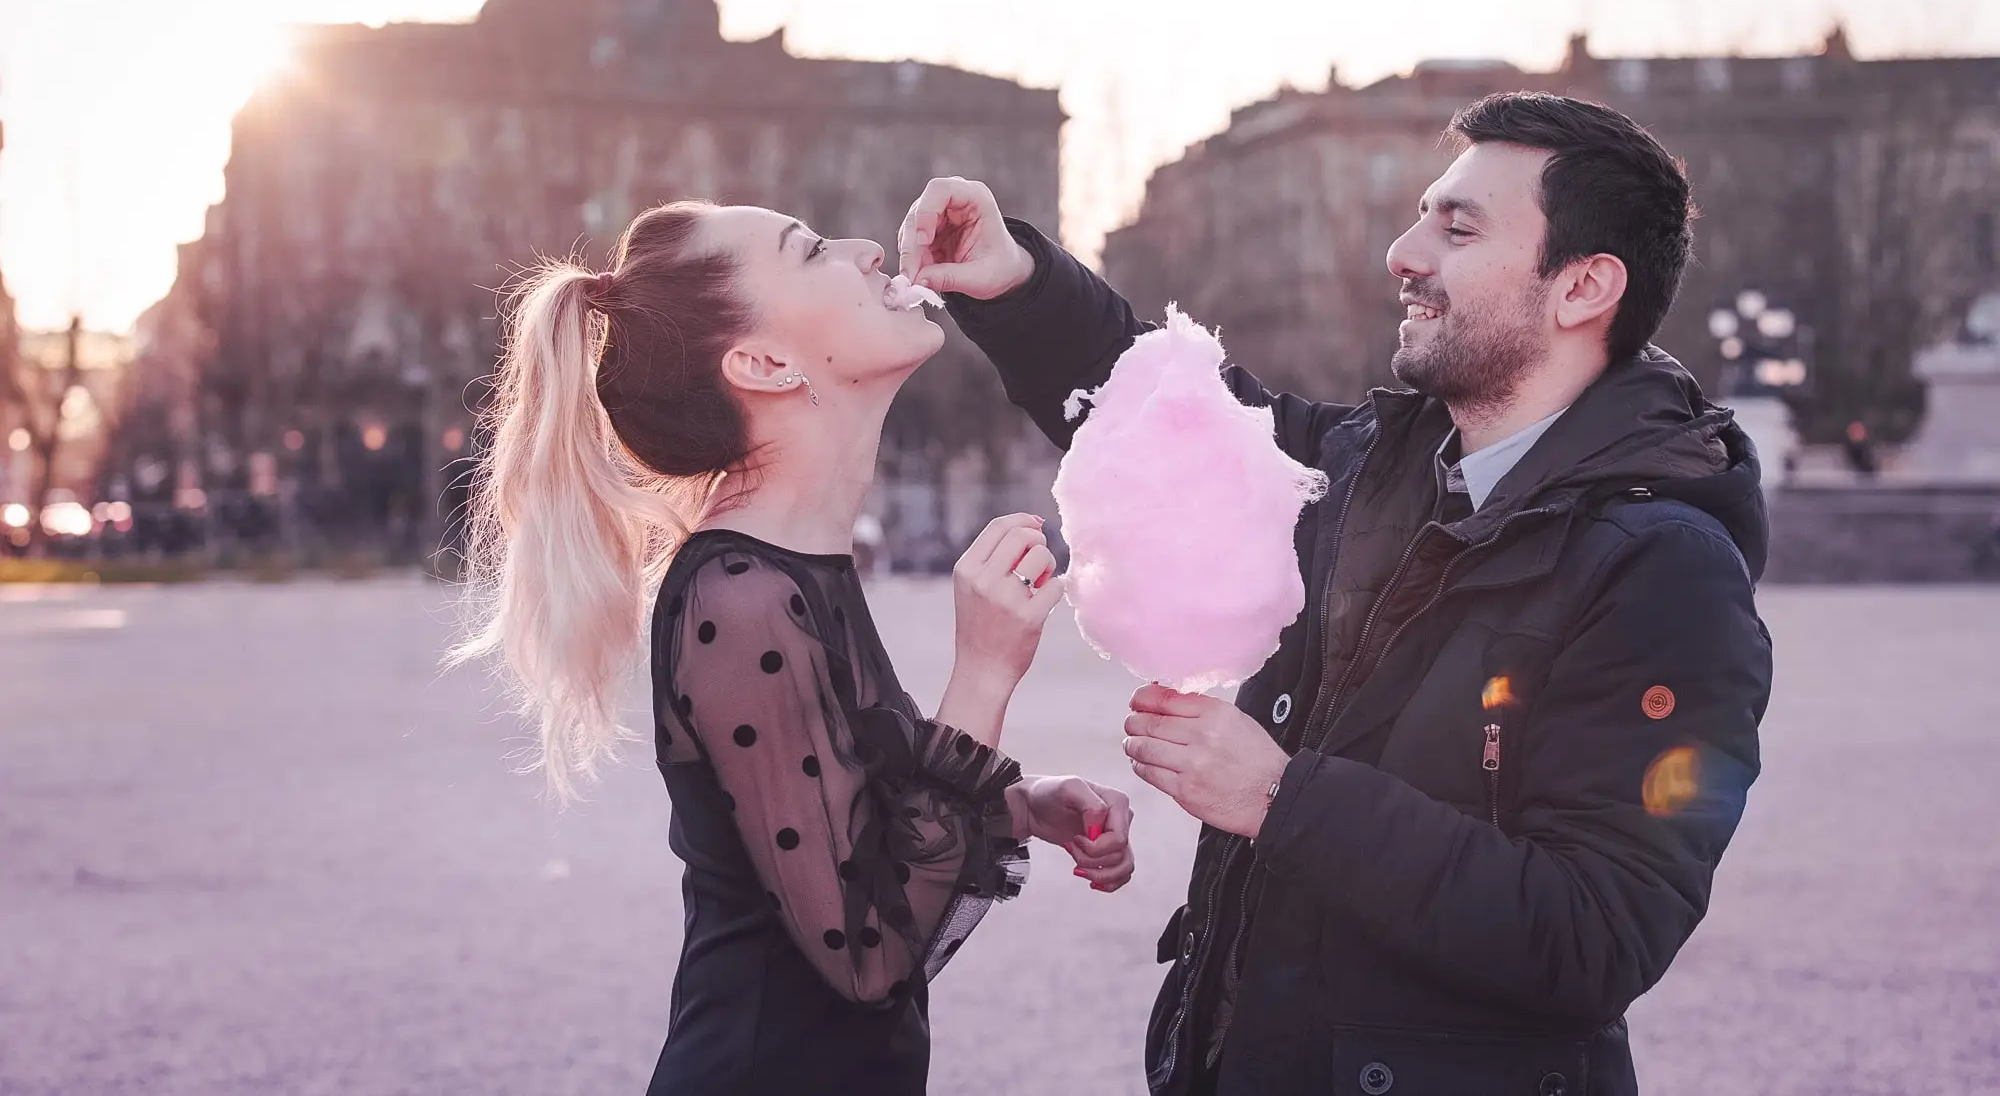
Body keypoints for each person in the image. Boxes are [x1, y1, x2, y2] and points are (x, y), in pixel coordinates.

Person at [900, 92, 1774, 1096]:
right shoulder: (1364, 464)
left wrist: (1282, 798)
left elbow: (1595, 932)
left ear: (1580, 288)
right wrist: (1013, 284)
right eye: (1419, 216)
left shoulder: (1661, 566)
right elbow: (1169, 413)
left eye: (1455, 228)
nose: (1402, 253)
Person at [450, 200, 1137, 1096]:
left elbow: (853, 817)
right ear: (765, 363)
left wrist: (1019, 800)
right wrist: (983, 673)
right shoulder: (740, 596)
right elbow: (869, 953)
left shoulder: (791, 564)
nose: (861, 249)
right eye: (809, 251)